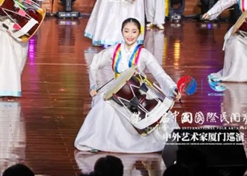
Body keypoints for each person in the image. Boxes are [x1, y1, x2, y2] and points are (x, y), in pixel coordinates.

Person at [75, 18, 181, 153]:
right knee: (103, 105)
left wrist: (172, 88)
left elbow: (159, 73)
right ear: (122, 32)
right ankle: (95, 141)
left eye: (134, 32)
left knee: (157, 114)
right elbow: (94, 64)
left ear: (139, 33)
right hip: (116, 88)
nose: (130, 35)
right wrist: (93, 86)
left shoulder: (144, 53)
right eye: (126, 31)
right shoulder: (114, 50)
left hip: (138, 90)